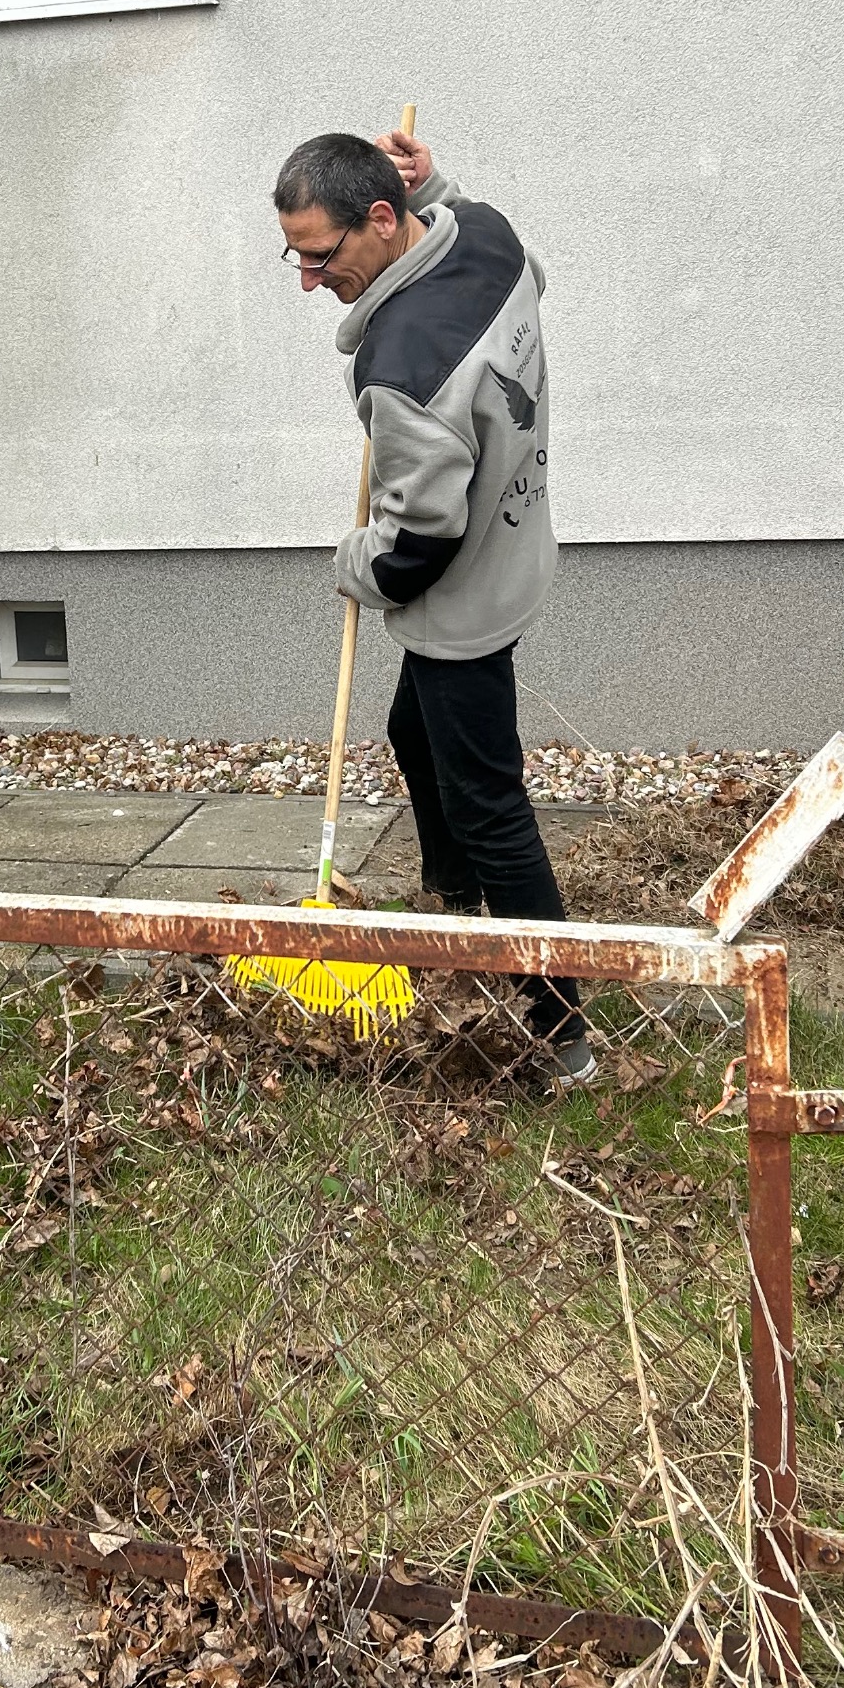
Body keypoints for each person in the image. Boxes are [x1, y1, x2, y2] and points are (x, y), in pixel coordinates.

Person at [273, 126, 595, 1086]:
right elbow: (523, 271)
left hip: (464, 605)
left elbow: (416, 548)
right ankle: (452, 903)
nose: (306, 279)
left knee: (492, 809)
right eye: (293, 254)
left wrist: (352, 563)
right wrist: (438, 185)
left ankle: (561, 1029)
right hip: (518, 548)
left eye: (320, 256)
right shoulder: (488, 233)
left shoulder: (404, 365)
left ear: (381, 220)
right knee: (412, 734)